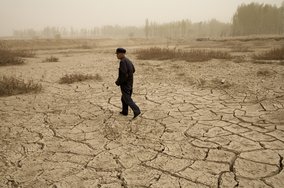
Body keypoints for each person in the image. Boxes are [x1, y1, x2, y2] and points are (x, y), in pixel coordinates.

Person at [115, 48, 141, 119]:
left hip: (125, 84)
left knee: (127, 99)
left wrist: (118, 82)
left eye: (117, 54)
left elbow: (123, 74)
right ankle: (124, 111)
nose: (116, 55)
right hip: (130, 83)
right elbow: (133, 70)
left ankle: (136, 110)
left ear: (121, 54)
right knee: (123, 98)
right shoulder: (128, 60)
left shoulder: (122, 62)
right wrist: (129, 77)